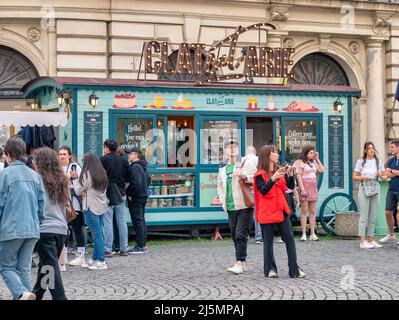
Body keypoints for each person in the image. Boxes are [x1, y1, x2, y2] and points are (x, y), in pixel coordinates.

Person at [0, 137, 45, 300]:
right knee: (24, 268)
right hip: (32, 228)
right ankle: (24, 295)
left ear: (8, 154)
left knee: (5, 266)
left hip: (11, 228)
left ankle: (20, 293)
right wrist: (37, 221)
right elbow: (41, 205)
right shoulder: (35, 176)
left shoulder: (4, 175)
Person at [254, 144, 305, 278]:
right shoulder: (260, 173)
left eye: (277, 152)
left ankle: (294, 269)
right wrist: (273, 178)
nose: (277, 155)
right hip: (267, 211)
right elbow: (263, 190)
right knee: (268, 242)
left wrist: (290, 175)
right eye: (274, 152)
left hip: (281, 209)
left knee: (289, 238)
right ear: (267, 156)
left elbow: (289, 186)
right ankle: (271, 269)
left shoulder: (279, 170)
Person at [32, 147, 69, 300]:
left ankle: (60, 297)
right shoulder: (62, 179)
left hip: (44, 229)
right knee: (46, 265)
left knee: (50, 266)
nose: (33, 163)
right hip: (61, 228)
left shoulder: (36, 179)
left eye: (35, 161)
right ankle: (36, 295)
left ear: (39, 163)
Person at [217, 140, 257, 274]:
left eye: (235, 147)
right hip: (230, 206)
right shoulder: (222, 166)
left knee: (241, 234)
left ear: (239, 150)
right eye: (229, 148)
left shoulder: (246, 162)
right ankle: (243, 262)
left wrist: (244, 176)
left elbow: (257, 178)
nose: (232, 150)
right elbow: (220, 186)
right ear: (226, 151)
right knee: (235, 235)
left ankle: (239, 262)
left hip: (244, 204)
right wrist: (223, 200)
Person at [73, 153, 109, 270]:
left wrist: (74, 179)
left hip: (91, 207)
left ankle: (102, 261)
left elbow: (78, 190)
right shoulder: (102, 173)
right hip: (101, 206)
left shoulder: (87, 174)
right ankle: (94, 259)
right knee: (98, 234)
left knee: (97, 235)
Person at [353, 142, 386, 249]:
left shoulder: (378, 162)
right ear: (365, 151)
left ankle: (371, 240)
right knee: (364, 215)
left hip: (375, 187)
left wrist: (381, 175)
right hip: (364, 187)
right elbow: (354, 176)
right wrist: (364, 177)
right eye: (369, 148)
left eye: (373, 148)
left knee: (373, 215)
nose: (372, 150)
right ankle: (362, 241)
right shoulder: (361, 161)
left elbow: (384, 176)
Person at [58, 146, 87, 267]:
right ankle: (63, 256)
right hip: (61, 202)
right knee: (63, 229)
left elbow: (83, 181)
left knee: (77, 229)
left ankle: (81, 255)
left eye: (64, 154)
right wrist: (68, 177)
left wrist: (70, 179)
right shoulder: (56, 168)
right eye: (60, 154)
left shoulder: (75, 167)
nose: (62, 156)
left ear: (69, 156)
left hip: (74, 203)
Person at [101, 140, 129, 257]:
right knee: (122, 222)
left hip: (107, 193)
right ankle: (124, 248)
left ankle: (108, 249)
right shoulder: (123, 160)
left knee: (107, 223)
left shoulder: (102, 160)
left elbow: (99, 177)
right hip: (121, 192)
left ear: (107, 148)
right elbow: (128, 179)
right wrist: (122, 189)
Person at [294, 146, 324, 241]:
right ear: (306, 153)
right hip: (305, 187)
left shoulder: (313, 162)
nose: (313, 154)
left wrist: (317, 159)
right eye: (311, 153)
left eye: (313, 153)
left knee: (312, 211)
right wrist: (302, 189)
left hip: (313, 187)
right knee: (304, 210)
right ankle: (303, 233)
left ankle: (312, 233)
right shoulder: (300, 162)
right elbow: (298, 176)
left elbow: (321, 170)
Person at [125, 147, 150, 254]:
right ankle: (143, 244)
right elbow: (148, 180)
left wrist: (130, 193)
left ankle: (140, 246)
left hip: (136, 197)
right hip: (143, 195)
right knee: (141, 220)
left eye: (130, 153)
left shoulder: (134, 167)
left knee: (137, 221)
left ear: (136, 155)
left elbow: (135, 182)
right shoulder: (142, 166)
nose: (128, 155)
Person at [380, 140, 399, 244]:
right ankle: (391, 235)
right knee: (387, 212)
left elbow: (390, 172)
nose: (390, 149)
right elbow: (386, 174)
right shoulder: (391, 160)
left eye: (392, 147)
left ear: (398, 148)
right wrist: (393, 172)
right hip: (392, 189)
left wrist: (392, 171)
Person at [242, 146, 262, 244]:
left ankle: (246, 235)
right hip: (256, 190)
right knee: (257, 213)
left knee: (246, 213)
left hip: (245, 191)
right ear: (255, 152)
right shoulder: (258, 160)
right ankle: (258, 236)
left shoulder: (242, 160)